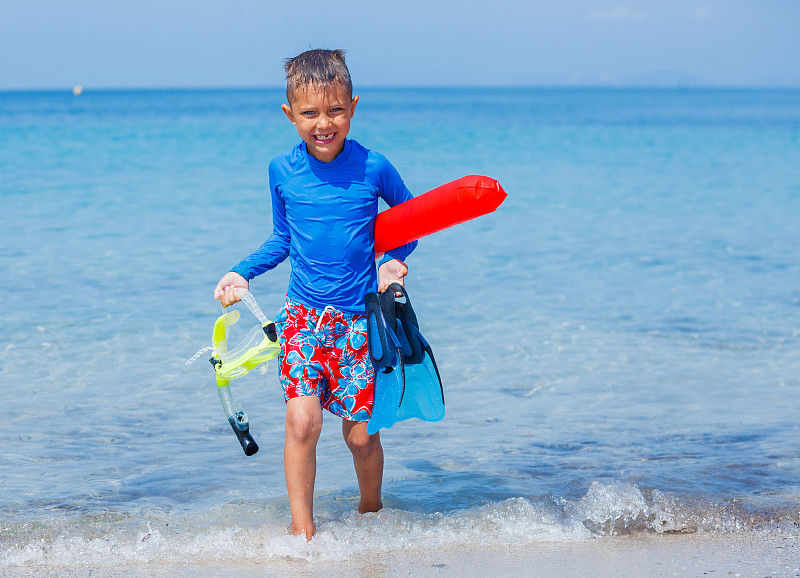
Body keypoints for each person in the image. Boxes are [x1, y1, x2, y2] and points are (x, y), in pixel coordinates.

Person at [213, 49, 416, 540]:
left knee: (361, 438)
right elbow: (282, 239)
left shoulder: (374, 166)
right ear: (290, 115)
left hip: (359, 323)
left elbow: (410, 220)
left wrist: (394, 259)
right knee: (302, 424)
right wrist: (242, 272)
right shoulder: (281, 171)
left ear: (352, 106)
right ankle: (302, 534)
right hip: (303, 319)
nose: (323, 124)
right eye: (310, 114)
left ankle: (373, 516)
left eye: (335, 111)